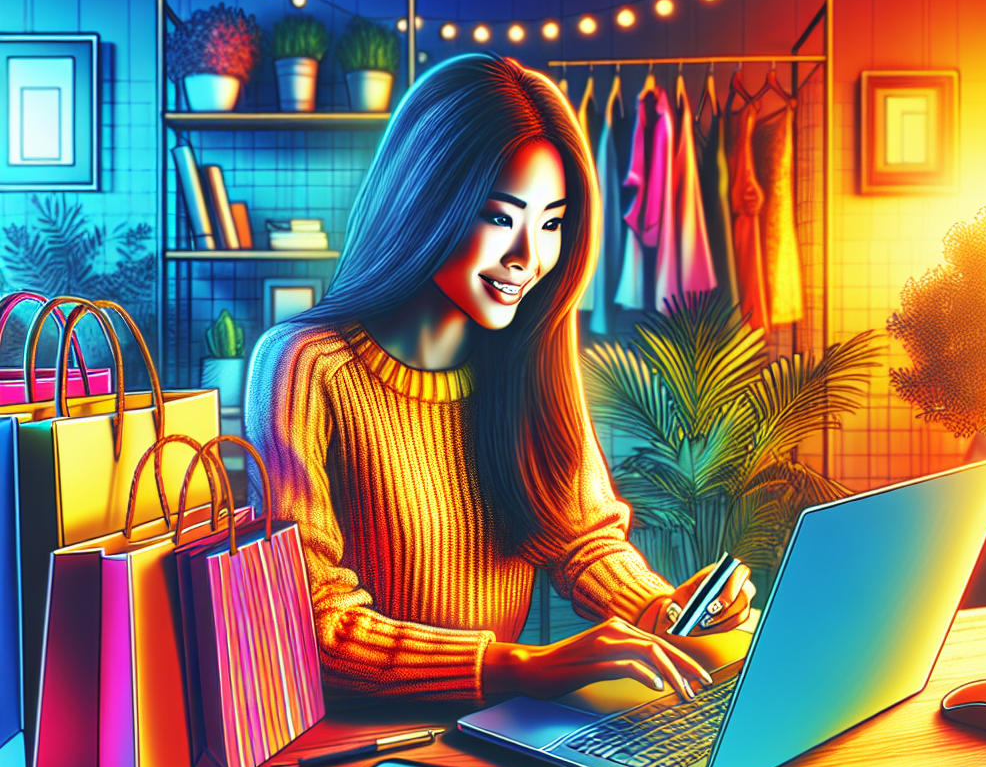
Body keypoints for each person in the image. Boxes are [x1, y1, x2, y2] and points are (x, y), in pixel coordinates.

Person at [245, 53, 755, 707]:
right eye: (499, 217)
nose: (528, 258)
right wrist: (519, 668)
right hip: (358, 744)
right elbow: (310, 623)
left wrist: (661, 609)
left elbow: (582, 537)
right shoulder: (303, 365)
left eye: (550, 223)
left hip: (496, 728)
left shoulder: (528, 350)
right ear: (426, 198)